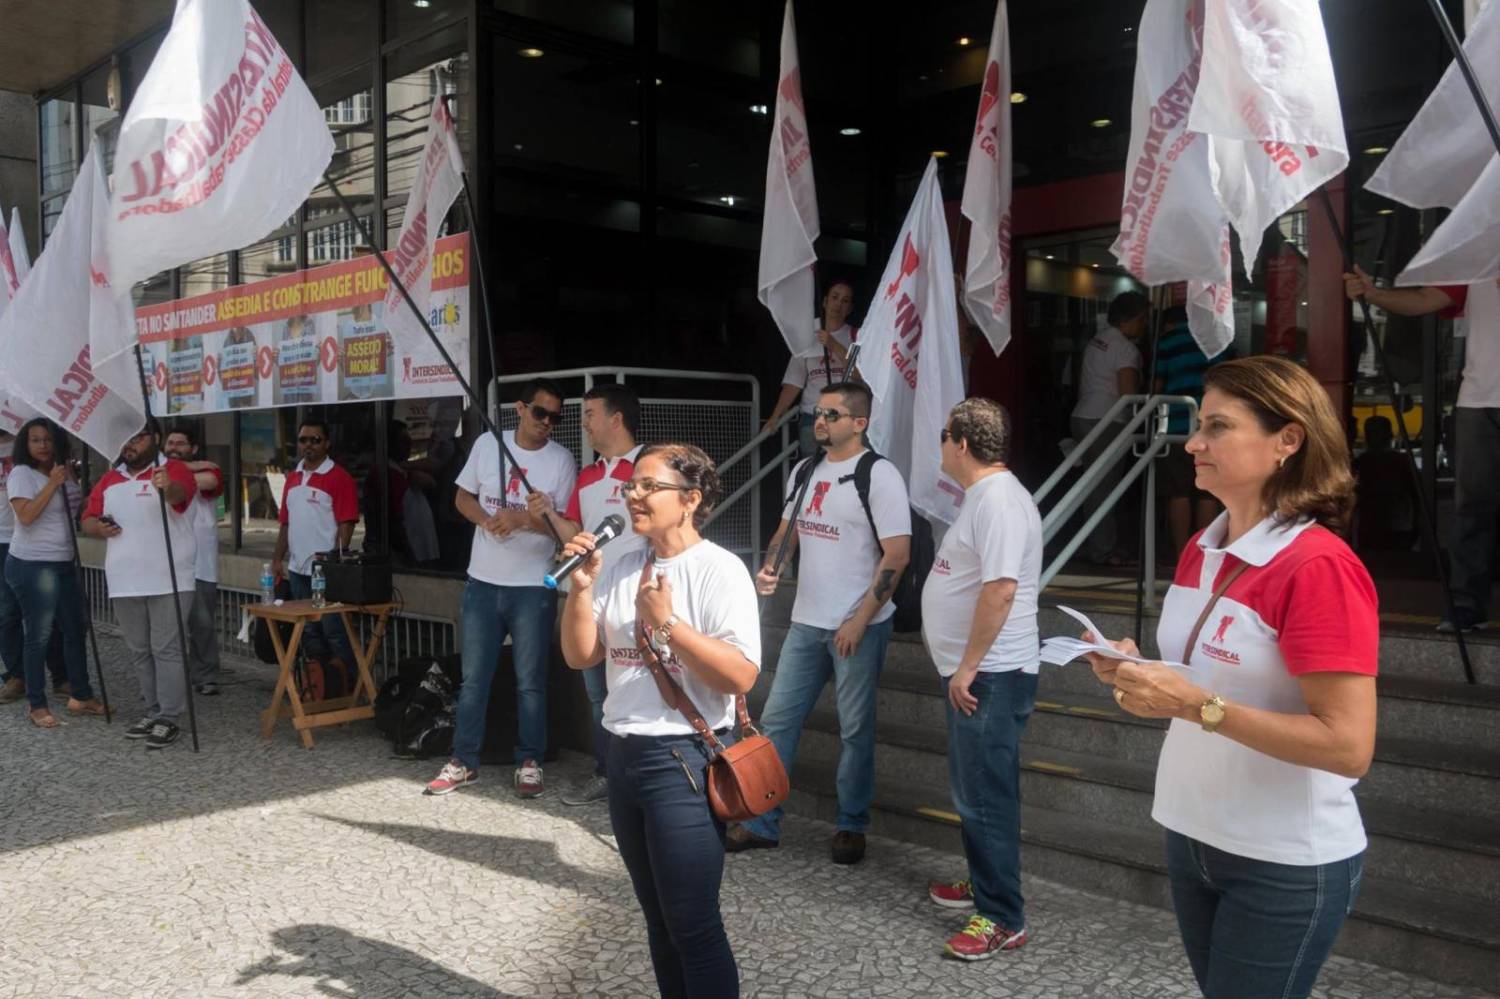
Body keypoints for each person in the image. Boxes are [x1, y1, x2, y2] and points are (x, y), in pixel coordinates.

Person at [1084, 356, 1377, 999]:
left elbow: (1348, 744)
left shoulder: (1318, 566)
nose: (1193, 443)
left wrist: (1195, 706)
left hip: (1282, 857)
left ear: (1287, 440)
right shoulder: (1202, 546)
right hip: (1192, 833)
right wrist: (1140, 671)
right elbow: (1206, 675)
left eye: (1217, 427)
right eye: (1197, 426)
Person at [558, 443, 759, 999]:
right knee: (658, 922)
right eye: (631, 487)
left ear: (690, 499)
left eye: (650, 486)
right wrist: (580, 589)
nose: (633, 496)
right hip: (623, 756)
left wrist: (667, 625)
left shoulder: (720, 570)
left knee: (694, 925)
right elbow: (581, 656)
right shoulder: (621, 565)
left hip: (684, 765)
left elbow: (740, 676)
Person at [731, 381, 911, 863]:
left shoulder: (879, 475)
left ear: (860, 422)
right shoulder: (806, 470)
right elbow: (786, 533)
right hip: (806, 621)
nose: (820, 420)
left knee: (855, 731)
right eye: (818, 412)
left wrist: (859, 620)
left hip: (859, 625)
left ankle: (851, 825)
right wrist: (772, 566)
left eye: (832, 414)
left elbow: (897, 554)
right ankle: (761, 821)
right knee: (778, 722)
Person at [920, 398, 1043, 961]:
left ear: (962, 444)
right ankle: (985, 878)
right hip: (980, 673)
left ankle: (1000, 916)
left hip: (990, 675)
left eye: (944, 436)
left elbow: (1000, 588)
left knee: (984, 797)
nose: (940, 445)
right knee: (978, 790)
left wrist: (967, 665)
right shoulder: (985, 498)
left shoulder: (997, 500)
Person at [425, 378, 576, 798]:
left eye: (555, 417)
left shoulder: (562, 461)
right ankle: (463, 760)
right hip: (483, 581)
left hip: (533, 584)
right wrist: (486, 520)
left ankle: (530, 760)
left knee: (531, 681)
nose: (547, 422)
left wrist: (523, 519)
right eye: (540, 413)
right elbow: (461, 498)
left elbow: (564, 527)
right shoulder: (487, 445)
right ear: (520, 408)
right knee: (474, 679)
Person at [1343, 266, 1493, 631]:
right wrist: (1373, 293)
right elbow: (1425, 299)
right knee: (1472, 507)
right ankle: (1464, 606)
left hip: (1479, 403)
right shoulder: (1478, 261)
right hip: (1479, 400)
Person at [533, 383, 648, 806]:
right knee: (599, 696)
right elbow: (575, 536)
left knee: (640, 693)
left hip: (638, 607)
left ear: (616, 419)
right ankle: (607, 773)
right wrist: (548, 512)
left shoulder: (650, 468)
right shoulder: (587, 474)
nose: (583, 423)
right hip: (590, 603)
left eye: (589, 414)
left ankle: (644, 777)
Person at [82, 421, 200, 748]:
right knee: (139, 650)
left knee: (167, 648)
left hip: (170, 576)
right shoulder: (109, 478)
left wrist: (167, 487)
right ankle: (153, 708)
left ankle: (170, 715)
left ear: (155, 439)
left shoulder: (174, 469)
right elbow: (88, 518)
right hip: (123, 578)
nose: (131, 444)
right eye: (126, 438)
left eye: (138, 436)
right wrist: (98, 527)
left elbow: (181, 496)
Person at [4, 418, 100, 726]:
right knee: (39, 635)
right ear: (25, 445)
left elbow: (72, 511)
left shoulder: (62, 470)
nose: (43, 445)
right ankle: (37, 704)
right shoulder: (21, 474)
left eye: (47, 439)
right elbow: (27, 516)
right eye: (35, 440)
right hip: (32, 564)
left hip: (64, 561)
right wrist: (53, 484)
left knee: (74, 629)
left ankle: (81, 695)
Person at [271, 418, 359, 668]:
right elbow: (285, 523)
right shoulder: (293, 477)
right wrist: (278, 559)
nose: (309, 445)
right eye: (303, 440)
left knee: (334, 630)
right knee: (309, 631)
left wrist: (335, 562)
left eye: (315, 440)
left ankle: (350, 686)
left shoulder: (339, 478)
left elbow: (347, 524)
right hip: (297, 569)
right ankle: (319, 687)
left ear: (327, 443)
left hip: (326, 571)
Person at [1070, 291, 1147, 565]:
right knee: (1106, 489)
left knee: (1092, 487)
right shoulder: (1126, 349)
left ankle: (1091, 543)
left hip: (1083, 416)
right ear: (1135, 319)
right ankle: (1103, 549)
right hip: (1108, 420)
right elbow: (1128, 393)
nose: (1144, 326)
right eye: (1143, 320)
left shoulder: (1096, 340)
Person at [1154, 306, 1221, 560]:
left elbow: (1157, 383)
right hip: (1210, 426)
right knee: (1208, 492)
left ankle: (1184, 554)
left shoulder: (1168, 341)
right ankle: (1205, 553)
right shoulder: (1214, 340)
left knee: (1178, 492)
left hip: (1175, 425)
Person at [163, 424, 226, 696]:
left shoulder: (210, 471)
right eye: (170, 443)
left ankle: (205, 675)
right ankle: (172, 678)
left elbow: (208, 483)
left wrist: (178, 469)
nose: (174, 448)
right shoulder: (156, 474)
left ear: (194, 449)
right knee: (167, 628)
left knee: (202, 624)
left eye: (181, 443)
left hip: (201, 563)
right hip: (166, 562)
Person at [764, 279, 858, 456]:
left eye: (845, 300)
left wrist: (834, 345)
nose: (838, 304)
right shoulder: (806, 333)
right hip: (813, 417)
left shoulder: (856, 335)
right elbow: (794, 382)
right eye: (835, 297)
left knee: (842, 474)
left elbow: (860, 374)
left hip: (846, 418)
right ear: (824, 301)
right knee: (814, 475)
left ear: (850, 308)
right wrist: (775, 417)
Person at [1353, 415, 1419, 552]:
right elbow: (1417, 497)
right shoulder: (1403, 462)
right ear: (1391, 435)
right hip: (1394, 527)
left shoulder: (1360, 464)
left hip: (1375, 527)